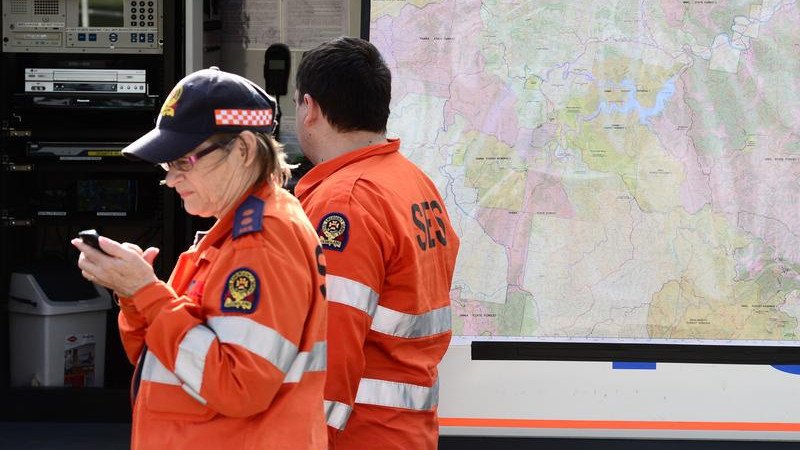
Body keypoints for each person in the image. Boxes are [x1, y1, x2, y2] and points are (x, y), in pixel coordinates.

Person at [72, 67, 328, 450]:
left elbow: (238, 387)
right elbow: (158, 358)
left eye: (183, 162)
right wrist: (134, 293)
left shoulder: (259, 239)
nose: (171, 180)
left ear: (242, 150)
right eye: (167, 166)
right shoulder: (238, 231)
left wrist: (145, 290)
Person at [293, 37, 460, 450]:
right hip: (405, 431)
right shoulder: (412, 182)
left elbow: (331, 343)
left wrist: (307, 439)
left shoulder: (344, 201)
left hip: (355, 436)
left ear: (310, 108)